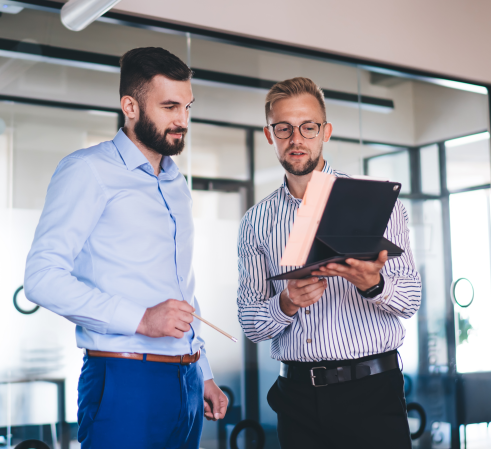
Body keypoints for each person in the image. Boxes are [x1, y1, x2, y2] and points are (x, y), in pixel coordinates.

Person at [24, 47, 228, 449]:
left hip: (185, 382)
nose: (182, 120)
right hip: (123, 379)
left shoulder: (176, 183)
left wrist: (201, 370)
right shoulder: (88, 170)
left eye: (187, 107)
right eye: (170, 106)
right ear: (129, 106)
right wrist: (141, 319)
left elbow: (181, 287)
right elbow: (41, 278)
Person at [237, 77, 421, 448]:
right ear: (270, 135)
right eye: (284, 128)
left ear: (326, 131)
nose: (296, 139)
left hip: (372, 392)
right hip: (297, 398)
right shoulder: (256, 222)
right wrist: (286, 303)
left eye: (308, 127)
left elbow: (411, 299)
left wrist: (374, 284)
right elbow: (250, 322)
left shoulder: (378, 203)